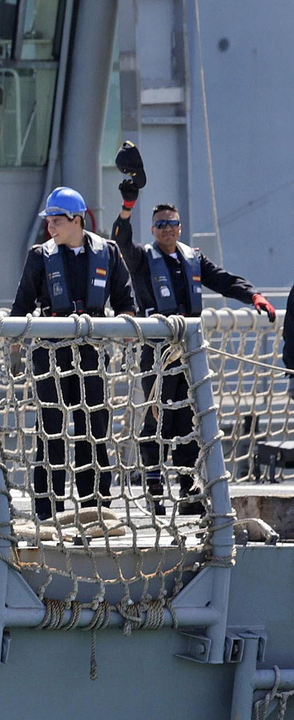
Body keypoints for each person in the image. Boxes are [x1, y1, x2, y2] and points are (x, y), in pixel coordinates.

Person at [112, 147, 275, 510]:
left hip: (189, 349)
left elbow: (223, 280)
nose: (168, 229)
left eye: (172, 223)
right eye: (161, 225)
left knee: (187, 417)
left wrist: (253, 297)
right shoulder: (141, 259)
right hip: (157, 351)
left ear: (180, 227)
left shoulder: (192, 257)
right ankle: (154, 486)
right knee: (157, 415)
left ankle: (187, 485)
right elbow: (120, 238)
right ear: (153, 230)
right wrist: (128, 204)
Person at [10, 186, 139, 519]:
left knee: (94, 429)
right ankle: (48, 510)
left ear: (77, 219)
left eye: (56, 221)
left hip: (91, 353)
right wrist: (13, 349)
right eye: (49, 222)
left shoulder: (107, 252)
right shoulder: (41, 256)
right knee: (50, 430)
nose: (50, 228)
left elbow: (126, 302)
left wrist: (127, 326)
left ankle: (95, 507)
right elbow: (21, 305)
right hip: (50, 353)